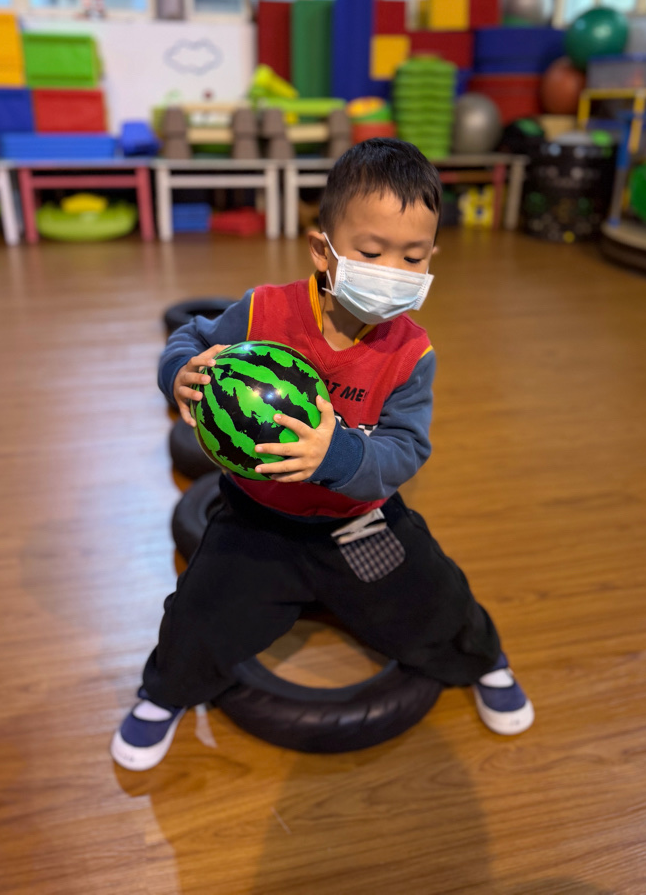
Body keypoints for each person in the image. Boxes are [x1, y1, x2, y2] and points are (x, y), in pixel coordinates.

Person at [111, 139, 534, 771]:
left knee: (433, 595)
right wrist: (178, 373)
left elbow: (405, 448)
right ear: (323, 250)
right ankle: (164, 693)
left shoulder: (411, 354)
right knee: (200, 611)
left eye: (413, 257)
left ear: (431, 259)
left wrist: (336, 456)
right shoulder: (263, 310)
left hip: (356, 521)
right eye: (372, 252)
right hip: (256, 516)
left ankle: (482, 661)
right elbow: (191, 337)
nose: (393, 269)